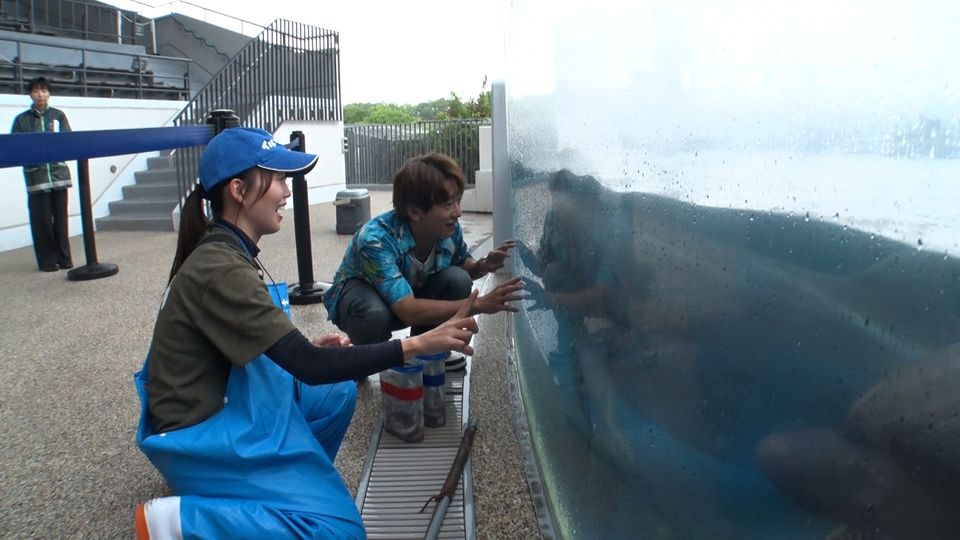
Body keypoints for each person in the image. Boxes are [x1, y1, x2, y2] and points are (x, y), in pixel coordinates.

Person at [134, 128, 479, 539]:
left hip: (226, 392)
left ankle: (282, 493)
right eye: (278, 180)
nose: (286, 192)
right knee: (341, 532)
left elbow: (271, 347)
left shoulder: (228, 251)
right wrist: (419, 342)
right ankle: (179, 522)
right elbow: (310, 366)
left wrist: (306, 346)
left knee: (337, 393)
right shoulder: (220, 267)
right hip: (200, 428)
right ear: (239, 190)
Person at [323, 152, 523, 371]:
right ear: (415, 212)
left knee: (458, 279)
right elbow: (408, 311)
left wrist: (483, 265)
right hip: (361, 302)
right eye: (448, 204)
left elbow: (462, 264)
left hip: (406, 296)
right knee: (374, 313)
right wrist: (478, 305)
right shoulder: (375, 239)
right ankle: (365, 362)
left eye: (458, 201)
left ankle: (428, 352)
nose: (458, 212)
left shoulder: (447, 228)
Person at [11, 77, 73, 272]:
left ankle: (64, 259)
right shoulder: (22, 120)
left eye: (44, 90)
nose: (40, 94)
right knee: (42, 221)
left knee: (61, 220)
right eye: (36, 91)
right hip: (36, 177)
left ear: (49, 94)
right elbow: (16, 147)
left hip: (58, 175)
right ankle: (47, 262)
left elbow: (68, 141)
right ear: (30, 94)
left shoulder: (58, 115)